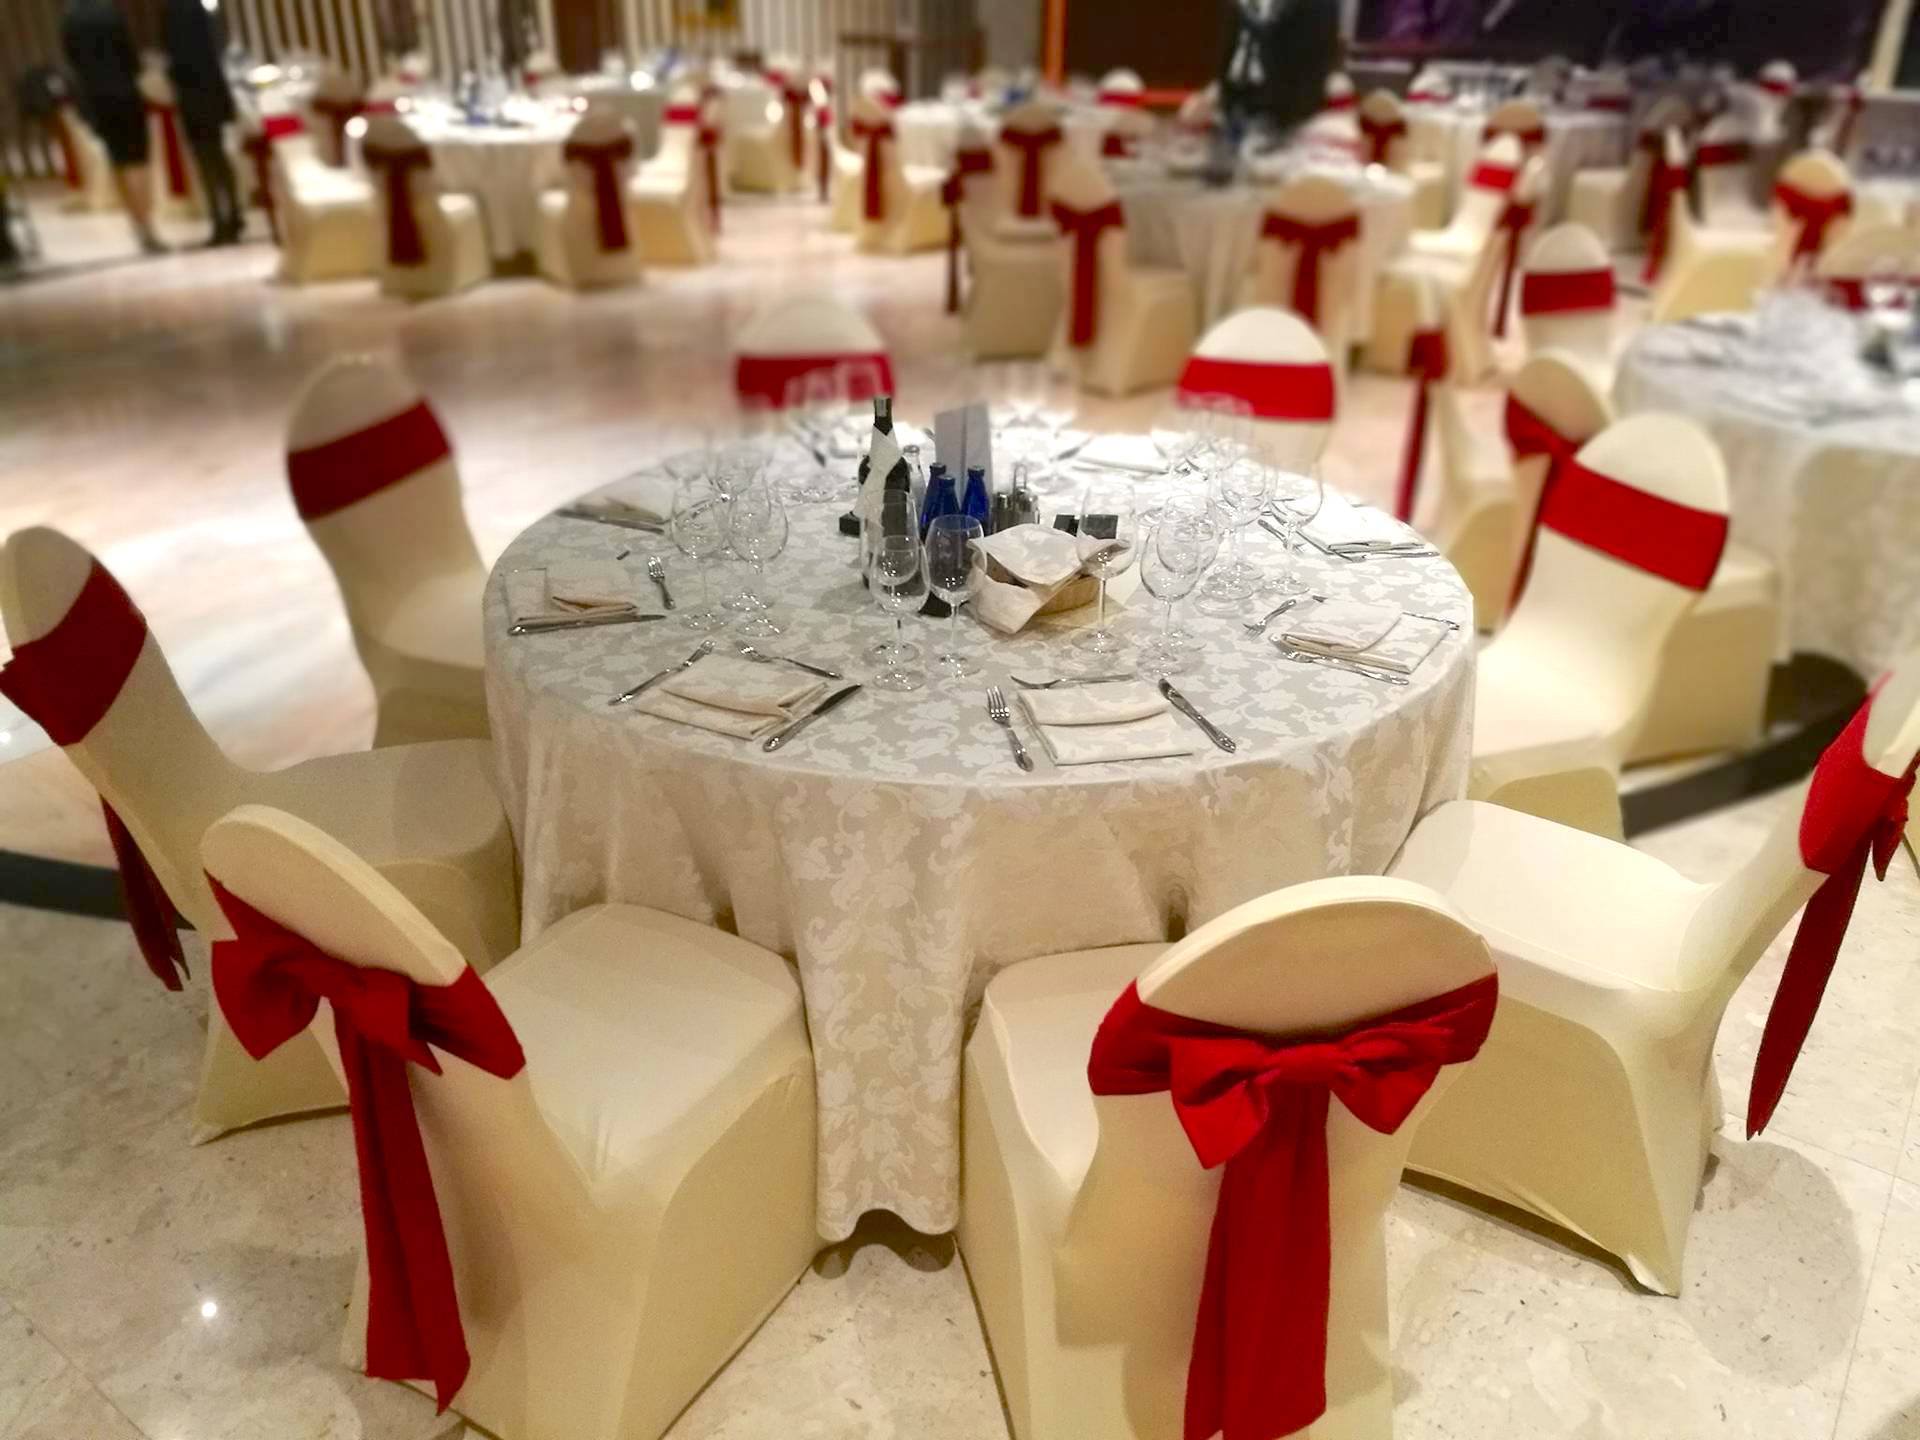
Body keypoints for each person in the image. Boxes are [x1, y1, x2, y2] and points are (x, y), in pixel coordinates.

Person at [60, 0, 162, 253]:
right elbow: (131, 58)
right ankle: (147, 225)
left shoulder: (70, 18)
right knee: (138, 161)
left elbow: (73, 62)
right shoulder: (111, 13)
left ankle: (135, 223)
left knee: (118, 161)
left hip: (96, 100)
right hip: (125, 95)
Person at [162, 0, 242, 244]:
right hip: (212, 92)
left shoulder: (173, 11)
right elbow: (216, 50)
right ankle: (233, 211)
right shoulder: (201, 9)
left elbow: (176, 60)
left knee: (206, 160)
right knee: (218, 157)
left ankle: (220, 217)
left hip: (192, 97)